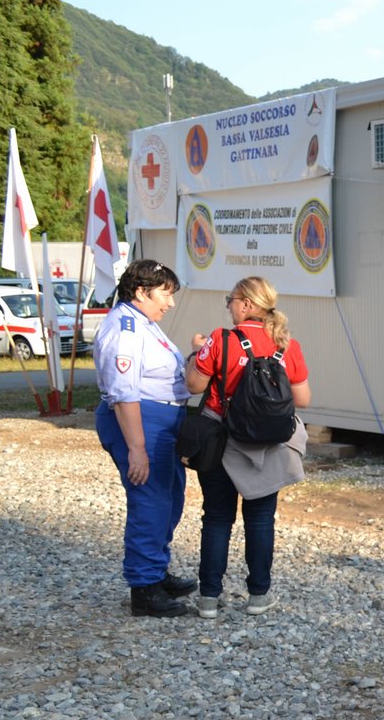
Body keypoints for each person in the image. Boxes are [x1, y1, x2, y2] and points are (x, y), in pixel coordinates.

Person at [183, 277, 312, 618]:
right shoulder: (287, 344)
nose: (228, 305)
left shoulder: (220, 339)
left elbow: (193, 385)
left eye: (231, 300)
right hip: (269, 444)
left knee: (216, 518)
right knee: (260, 520)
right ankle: (258, 596)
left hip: (220, 441)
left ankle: (209, 598)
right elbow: (303, 399)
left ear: (247, 305)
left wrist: (198, 352)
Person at [94, 259, 195, 617]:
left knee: (170, 499)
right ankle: (145, 588)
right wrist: (137, 449)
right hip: (141, 421)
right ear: (141, 291)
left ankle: (156, 569)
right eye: (165, 294)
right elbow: (124, 393)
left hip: (161, 419)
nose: (170, 303)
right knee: (150, 503)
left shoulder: (143, 323)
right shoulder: (126, 328)